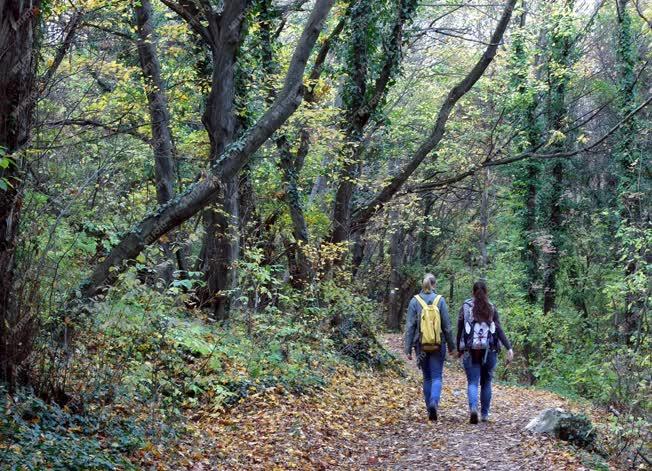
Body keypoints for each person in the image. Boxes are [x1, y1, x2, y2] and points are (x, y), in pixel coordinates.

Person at [457, 280, 513, 424]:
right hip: (490, 351)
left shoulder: (465, 306)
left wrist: (458, 349)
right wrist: (509, 348)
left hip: (471, 350)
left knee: (473, 382)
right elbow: (499, 329)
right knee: (487, 382)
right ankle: (485, 414)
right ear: (486, 292)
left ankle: (473, 408)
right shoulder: (492, 308)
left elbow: (460, 330)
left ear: (472, 292)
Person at [404, 273, 455, 421]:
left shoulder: (415, 301)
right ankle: (434, 402)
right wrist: (452, 347)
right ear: (434, 285)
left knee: (427, 377)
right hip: (438, 345)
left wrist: (407, 349)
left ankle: (429, 409)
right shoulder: (440, 300)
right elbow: (447, 327)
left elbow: (410, 326)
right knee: (437, 376)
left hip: (421, 345)